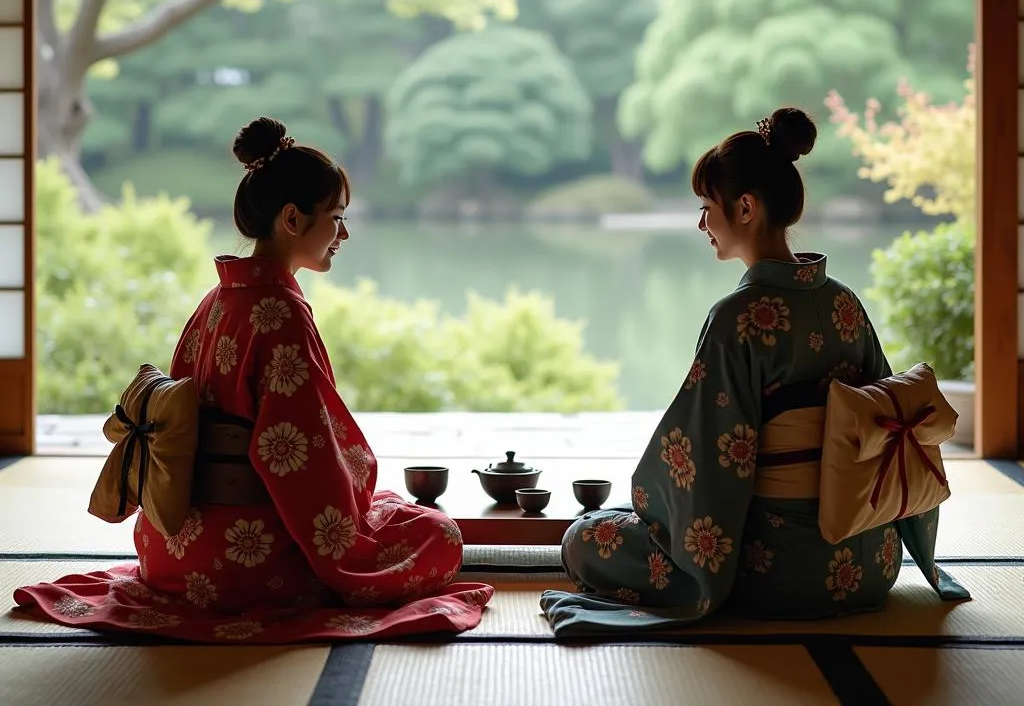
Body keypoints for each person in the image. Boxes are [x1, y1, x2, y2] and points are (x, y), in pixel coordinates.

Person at [13, 117, 492, 642]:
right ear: (292, 219)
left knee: (387, 512)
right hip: (246, 567)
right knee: (436, 533)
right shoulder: (282, 311)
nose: (344, 233)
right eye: (335, 217)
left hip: (168, 553)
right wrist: (347, 531)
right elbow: (296, 455)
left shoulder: (217, 300)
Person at [541, 107, 968, 637]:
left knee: (585, 538)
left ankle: (701, 583)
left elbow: (705, 461)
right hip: (870, 566)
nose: (701, 224)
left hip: (773, 576)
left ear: (744, 207)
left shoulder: (737, 319)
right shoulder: (845, 305)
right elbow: (892, 439)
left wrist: (660, 519)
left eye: (706, 208)